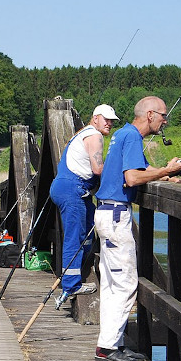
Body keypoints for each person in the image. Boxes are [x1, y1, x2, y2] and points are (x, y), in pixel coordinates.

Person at [93, 96, 181, 361]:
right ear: (149, 115)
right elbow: (132, 178)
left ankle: (110, 344)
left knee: (111, 284)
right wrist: (166, 170)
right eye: (163, 115)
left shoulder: (123, 135)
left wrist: (165, 174)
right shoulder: (132, 137)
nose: (165, 120)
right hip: (115, 216)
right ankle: (109, 348)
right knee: (125, 284)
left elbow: (141, 169)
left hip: (106, 213)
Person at [50, 104, 119, 309]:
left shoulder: (81, 133)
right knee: (76, 236)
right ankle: (71, 285)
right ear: (95, 118)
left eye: (112, 121)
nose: (109, 123)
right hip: (73, 190)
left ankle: (79, 272)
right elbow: (98, 169)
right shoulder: (95, 136)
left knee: (88, 236)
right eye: (105, 119)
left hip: (71, 189)